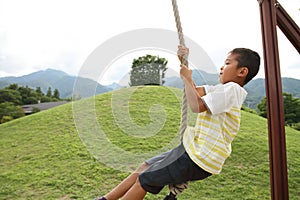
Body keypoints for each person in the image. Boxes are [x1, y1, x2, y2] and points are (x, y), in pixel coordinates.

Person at [96, 45, 260, 200]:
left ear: (242, 71)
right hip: (191, 151)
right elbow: (194, 92)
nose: (222, 67)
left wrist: (187, 78)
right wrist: (184, 63)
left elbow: (197, 105)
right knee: (144, 167)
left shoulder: (233, 90)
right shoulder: (220, 90)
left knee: (144, 180)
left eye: (227, 63)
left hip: (200, 157)